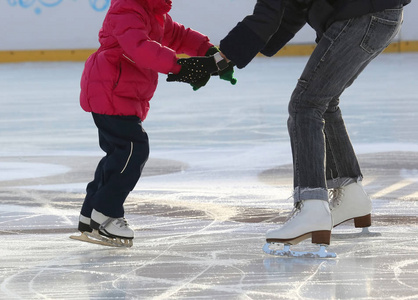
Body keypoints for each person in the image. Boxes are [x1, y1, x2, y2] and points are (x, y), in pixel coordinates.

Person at [168, 0, 410, 254]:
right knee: (323, 103)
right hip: (379, 14)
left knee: (305, 105)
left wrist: (220, 58)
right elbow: (294, 7)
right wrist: (238, 53)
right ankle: (350, 194)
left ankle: (311, 205)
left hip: (363, 16)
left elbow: (270, 12)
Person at [73, 0, 224, 247]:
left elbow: (178, 35)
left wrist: (207, 50)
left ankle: (90, 214)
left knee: (118, 154)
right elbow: (139, 47)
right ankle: (106, 212)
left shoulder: (153, 12)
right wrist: (178, 67)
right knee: (134, 150)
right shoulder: (127, 8)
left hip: (116, 92)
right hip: (111, 90)